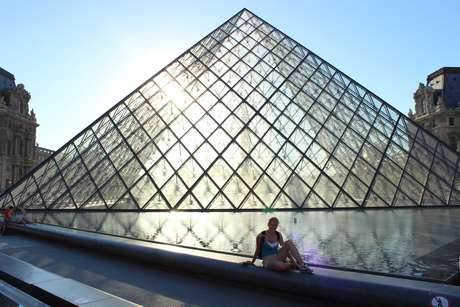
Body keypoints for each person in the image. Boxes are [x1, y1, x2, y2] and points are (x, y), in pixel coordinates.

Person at [243, 217, 313, 273]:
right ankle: (291, 264)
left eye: (275, 225)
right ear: (268, 224)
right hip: (268, 259)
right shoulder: (261, 236)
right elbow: (258, 250)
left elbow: (285, 249)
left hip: (278, 256)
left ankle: (302, 264)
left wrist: (293, 260)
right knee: (281, 266)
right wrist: (252, 262)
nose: (273, 227)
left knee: (288, 242)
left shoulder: (278, 234)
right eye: (272, 225)